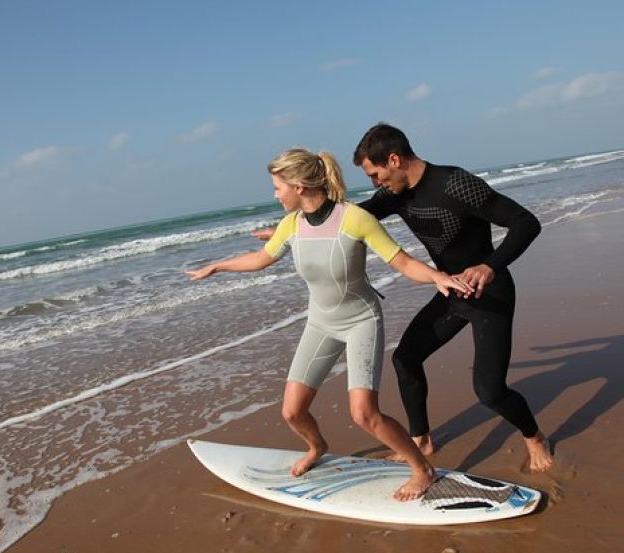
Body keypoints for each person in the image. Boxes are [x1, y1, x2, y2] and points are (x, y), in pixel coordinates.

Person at [255, 125, 554, 472]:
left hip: (489, 293)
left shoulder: (455, 184)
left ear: (394, 159)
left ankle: (534, 437)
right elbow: (349, 218)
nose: (375, 182)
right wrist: (292, 229)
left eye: (375, 173)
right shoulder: (395, 194)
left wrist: (489, 266)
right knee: (406, 359)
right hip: (450, 291)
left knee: (489, 390)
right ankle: (421, 440)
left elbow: (525, 222)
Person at [186, 148, 473, 501]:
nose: (275, 195)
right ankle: (316, 447)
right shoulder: (292, 226)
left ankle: (422, 468)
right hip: (320, 324)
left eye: (278, 187)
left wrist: (436, 277)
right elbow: (261, 258)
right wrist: (217, 266)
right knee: (292, 411)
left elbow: (400, 260)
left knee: (364, 414)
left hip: (360, 322)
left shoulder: (353, 219)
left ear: (299, 186)